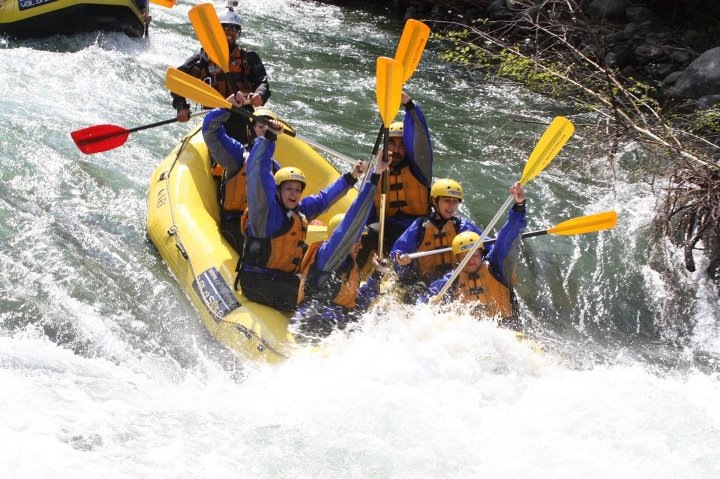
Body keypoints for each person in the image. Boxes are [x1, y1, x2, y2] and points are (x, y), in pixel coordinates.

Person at [238, 121, 366, 312]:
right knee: (308, 299)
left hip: (283, 278)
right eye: (288, 189)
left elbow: (325, 199)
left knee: (320, 288)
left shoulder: (301, 211)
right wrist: (270, 138)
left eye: (297, 190)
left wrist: (352, 176)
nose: (293, 194)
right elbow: (258, 173)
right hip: (257, 280)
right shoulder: (264, 212)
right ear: (278, 191)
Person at [292, 156, 391, 339]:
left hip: (336, 329)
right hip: (312, 325)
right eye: (356, 239)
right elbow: (352, 222)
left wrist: (377, 273)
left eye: (359, 239)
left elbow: (357, 301)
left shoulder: (351, 267)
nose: (359, 244)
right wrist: (375, 176)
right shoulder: (327, 257)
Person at [422, 182, 527, 328]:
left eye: (474, 254)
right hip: (473, 336)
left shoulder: (496, 268)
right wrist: (428, 303)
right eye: (464, 256)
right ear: (457, 260)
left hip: (507, 330)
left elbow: (508, 234)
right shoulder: (451, 280)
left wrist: (519, 206)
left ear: (482, 253)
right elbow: (425, 300)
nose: (470, 260)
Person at [171, 7, 270, 144]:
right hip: (215, 116)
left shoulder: (248, 57)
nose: (230, 31)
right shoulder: (204, 57)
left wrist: (260, 94)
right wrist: (181, 107)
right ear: (217, 29)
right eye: (226, 27)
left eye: (235, 28)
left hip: (242, 114)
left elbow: (263, 82)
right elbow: (178, 80)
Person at [357, 90, 433, 266]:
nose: (396, 150)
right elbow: (366, 210)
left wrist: (408, 104)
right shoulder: (377, 172)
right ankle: (352, 276)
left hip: (416, 230)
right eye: (391, 143)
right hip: (388, 230)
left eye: (401, 145)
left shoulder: (420, 170)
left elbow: (421, 138)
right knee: (368, 234)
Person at [202, 98, 281, 255]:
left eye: (269, 128)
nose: (265, 131)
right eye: (260, 127)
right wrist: (226, 107)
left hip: (262, 226)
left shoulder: (276, 168)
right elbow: (210, 130)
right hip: (235, 222)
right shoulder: (238, 155)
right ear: (250, 130)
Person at [390, 178, 484, 303]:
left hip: (454, 277)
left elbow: (487, 245)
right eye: (447, 200)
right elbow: (398, 252)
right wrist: (402, 260)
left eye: (455, 201)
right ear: (435, 201)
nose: (451, 205)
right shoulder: (420, 226)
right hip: (425, 280)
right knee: (411, 297)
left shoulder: (461, 226)